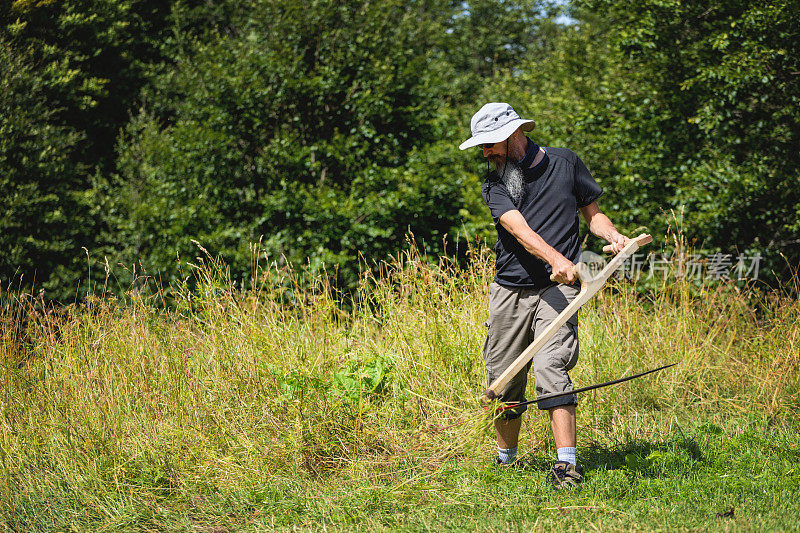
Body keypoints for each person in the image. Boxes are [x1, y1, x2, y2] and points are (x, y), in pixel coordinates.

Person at [459, 102, 631, 489]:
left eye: (490, 145)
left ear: (513, 135)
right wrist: (557, 257)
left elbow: (593, 214)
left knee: (553, 368)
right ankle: (506, 461)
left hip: (559, 291)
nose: (486, 153)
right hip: (509, 292)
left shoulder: (566, 163)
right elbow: (518, 230)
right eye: (483, 147)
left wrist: (612, 235)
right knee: (504, 377)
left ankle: (567, 466)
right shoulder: (494, 184)